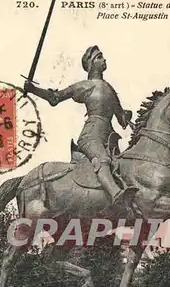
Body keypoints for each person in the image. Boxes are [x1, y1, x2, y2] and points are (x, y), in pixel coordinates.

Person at [24, 45, 138, 207]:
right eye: (99, 57)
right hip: (91, 136)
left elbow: (122, 120)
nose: (104, 59)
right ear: (91, 64)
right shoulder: (84, 86)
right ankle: (116, 194)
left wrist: (128, 117)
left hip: (109, 138)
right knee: (102, 160)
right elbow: (55, 98)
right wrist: (34, 89)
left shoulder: (109, 89)